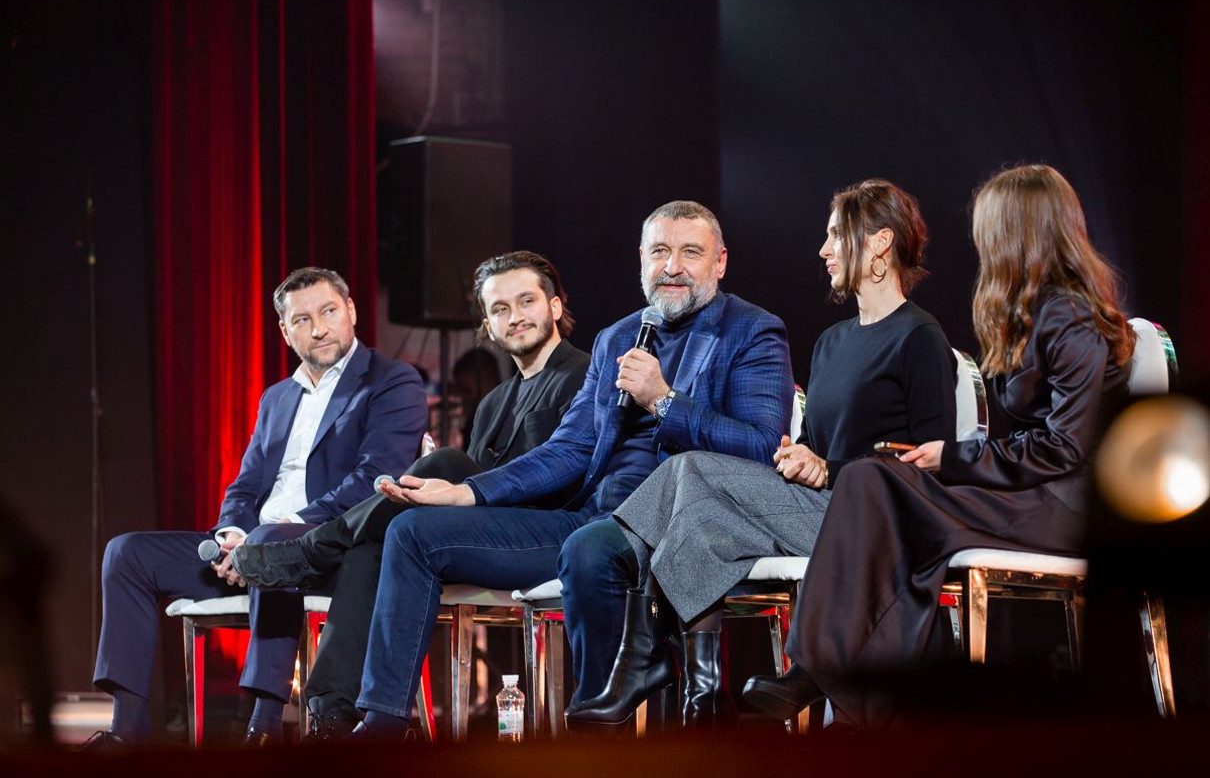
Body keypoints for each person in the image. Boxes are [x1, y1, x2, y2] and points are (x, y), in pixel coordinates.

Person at [352, 200, 794, 738]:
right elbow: (569, 449)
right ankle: (381, 726)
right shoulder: (618, 338)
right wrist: (465, 492)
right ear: (641, 259)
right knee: (412, 532)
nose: (672, 267)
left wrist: (663, 400)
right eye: (660, 252)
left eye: (690, 253)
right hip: (590, 516)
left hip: (676, 523)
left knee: (589, 550)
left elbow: (758, 447)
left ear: (719, 262)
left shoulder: (752, 330)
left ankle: (597, 740)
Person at [743, 164, 1136, 729]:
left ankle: (824, 675)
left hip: (1065, 507)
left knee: (884, 493)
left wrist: (952, 457)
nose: (983, 244)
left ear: (1021, 231)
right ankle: (856, 695)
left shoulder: (1070, 315)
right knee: (873, 481)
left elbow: (1063, 450)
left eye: (989, 229)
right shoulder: (1034, 314)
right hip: (1031, 493)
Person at [565, 179, 957, 730]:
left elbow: (930, 467)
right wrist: (801, 456)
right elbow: (813, 444)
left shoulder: (919, 336)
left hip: (876, 521)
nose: (823, 250)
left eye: (835, 236)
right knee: (699, 517)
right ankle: (702, 701)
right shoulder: (832, 342)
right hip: (818, 506)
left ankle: (644, 658)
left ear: (879, 243)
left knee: (688, 466)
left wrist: (830, 469)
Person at [231, 251, 591, 738]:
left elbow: (560, 470)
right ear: (487, 325)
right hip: (488, 535)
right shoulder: (493, 403)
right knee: (375, 544)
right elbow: (475, 490)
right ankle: (334, 714)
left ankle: (315, 547)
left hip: (555, 532)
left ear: (554, 306)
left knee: (443, 466)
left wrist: (450, 479)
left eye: (526, 302)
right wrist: (436, 487)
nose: (515, 317)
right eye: (500, 309)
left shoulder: (583, 377)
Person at [86, 267, 427, 748]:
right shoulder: (277, 397)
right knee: (127, 554)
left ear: (351, 311)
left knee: (270, 544)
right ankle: (125, 733)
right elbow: (245, 485)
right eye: (303, 320)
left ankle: (263, 729)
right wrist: (231, 535)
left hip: (332, 551)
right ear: (285, 331)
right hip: (255, 546)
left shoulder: (391, 382)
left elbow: (374, 480)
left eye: (329, 311)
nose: (319, 328)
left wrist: (276, 535)